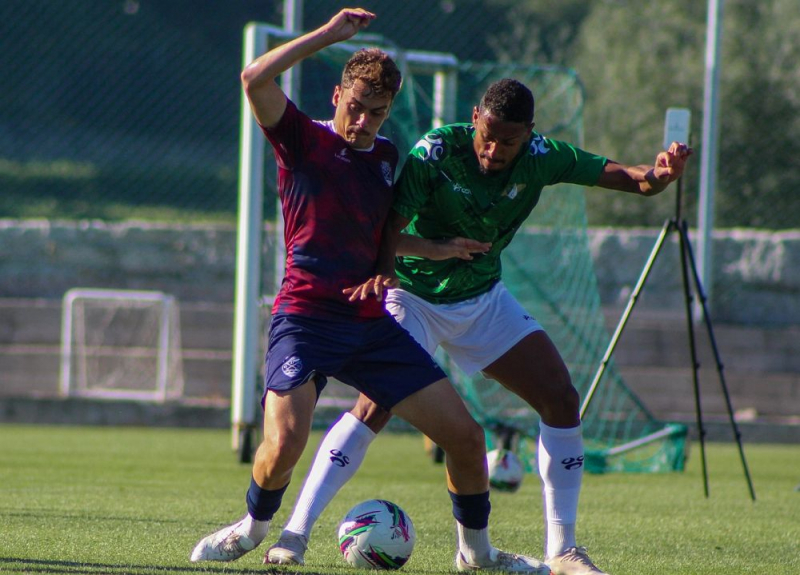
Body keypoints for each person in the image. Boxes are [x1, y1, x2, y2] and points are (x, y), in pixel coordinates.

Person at [264, 78, 693, 575]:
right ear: (474, 117)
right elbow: (388, 227)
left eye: (507, 141)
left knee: (560, 398)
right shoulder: (436, 152)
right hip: (414, 297)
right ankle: (295, 533)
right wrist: (384, 271)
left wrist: (658, 176)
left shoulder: (542, 156)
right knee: (374, 406)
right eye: (486, 135)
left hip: (482, 300)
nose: (493, 149)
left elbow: (629, 177)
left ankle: (562, 551)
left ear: (529, 135)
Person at [190, 10, 550, 574]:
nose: (362, 121)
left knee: (466, 437)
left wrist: (434, 249)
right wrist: (327, 37)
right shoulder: (301, 139)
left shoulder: (385, 158)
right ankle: (254, 525)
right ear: (336, 95)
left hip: (367, 325)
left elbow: (380, 234)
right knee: (284, 444)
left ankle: (477, 555)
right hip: (305, 319)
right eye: (354, 106)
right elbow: (253, 78)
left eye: (376, 113)